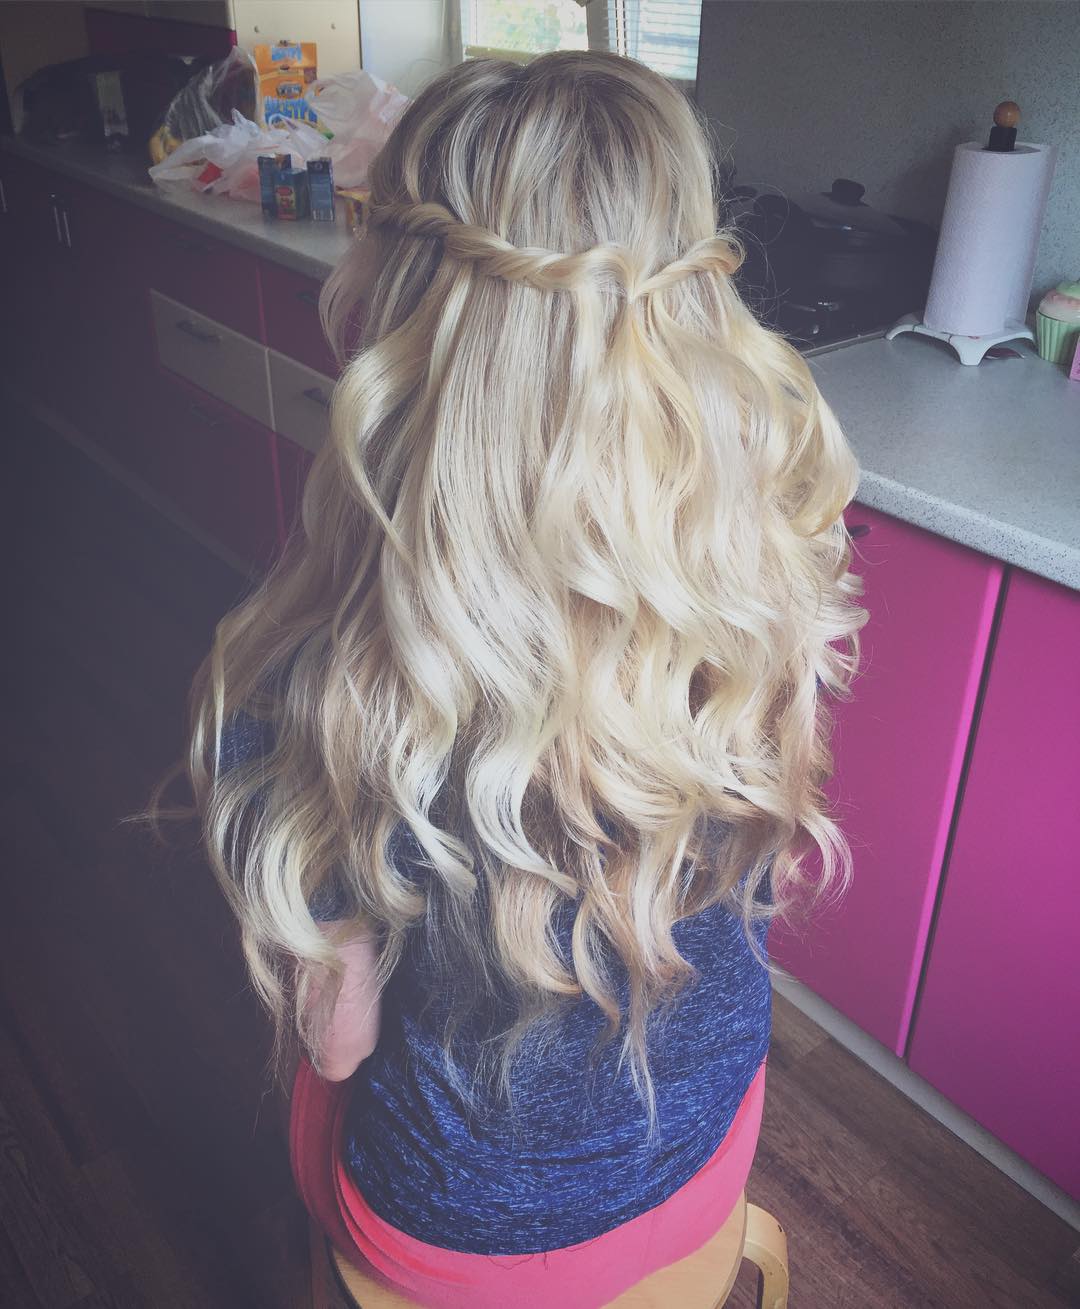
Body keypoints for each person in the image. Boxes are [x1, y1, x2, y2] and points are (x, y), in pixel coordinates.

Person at [154, 50, 865, 1309]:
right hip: (710, 1148)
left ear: (402, 309)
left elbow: (338, 1042)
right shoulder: (762, 580)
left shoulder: (312, 682)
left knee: (319, 1075)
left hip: (457, 1240)